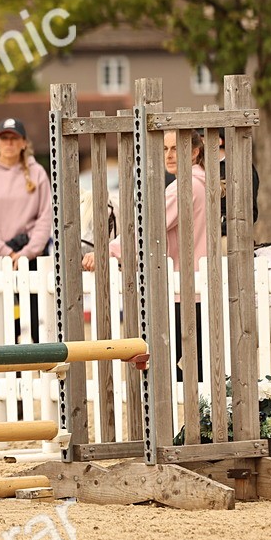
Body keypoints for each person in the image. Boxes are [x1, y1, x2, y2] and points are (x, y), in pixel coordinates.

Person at [83, 130, 207, 381]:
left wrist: (108, 251)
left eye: (176, 148)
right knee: (196, 365)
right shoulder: (202, 182)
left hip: (180, 291)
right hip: (195, 287)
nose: (170, 155)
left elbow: (147, 228)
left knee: (157, 365)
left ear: (194, 152)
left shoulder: (183, 186)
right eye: (165, 149)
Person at [0, 118, 53, 342]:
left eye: (14, 138)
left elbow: (46, 216)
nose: (9, 143)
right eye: (4, 138)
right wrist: (6, 253)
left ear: (24, 143)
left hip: (31, 256)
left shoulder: (37, 173)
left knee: (37, 320)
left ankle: (40, 371)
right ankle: (9, 373)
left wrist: (26, 253)